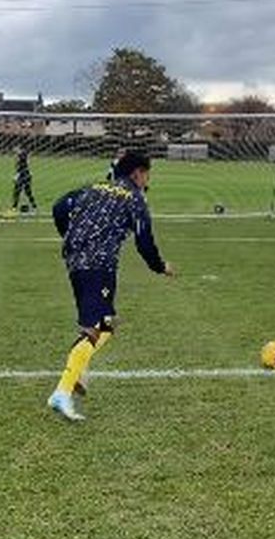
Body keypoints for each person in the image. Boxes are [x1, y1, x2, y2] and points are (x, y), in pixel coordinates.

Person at [48, 149, 174, 421]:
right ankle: (62, 391)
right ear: (137, 173)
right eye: (146, 174)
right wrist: (160, 266)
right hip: (99, 264)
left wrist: (70, 237)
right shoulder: (134, 198)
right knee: (97, 328)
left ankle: (78, 372)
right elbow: (144, 240)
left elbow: (59, 207)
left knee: (106, 324)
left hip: (74, 259)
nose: (147, 180)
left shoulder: (93, 188)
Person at [12, 145, 37, 213]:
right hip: (23, 175)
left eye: (16, 150)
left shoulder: (22, 155)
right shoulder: (19, 157)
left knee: (26, 192)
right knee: (17, 192)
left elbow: (22, 166)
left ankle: (34, 206)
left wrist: (17, 175)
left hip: (24, 175)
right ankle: (14, 206)